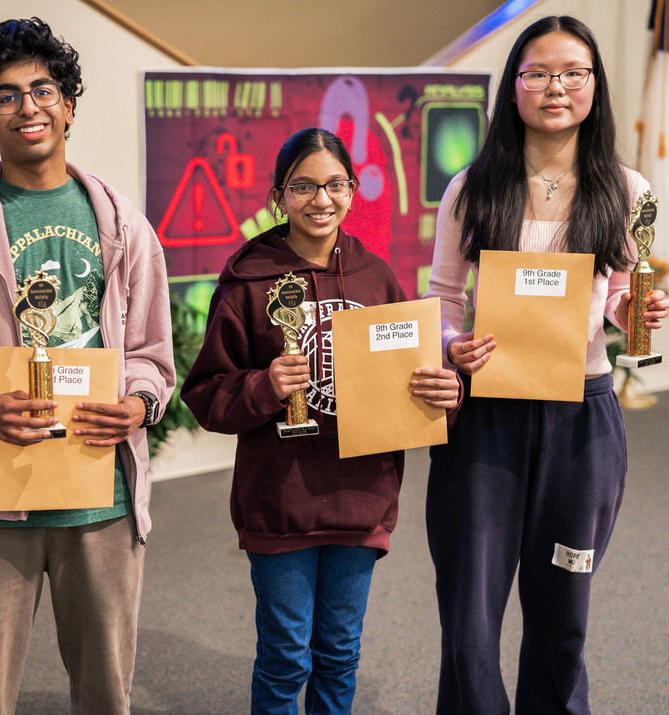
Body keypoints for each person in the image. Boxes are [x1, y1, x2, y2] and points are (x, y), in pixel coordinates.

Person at [0, 17, 174, 714]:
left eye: (42, 88)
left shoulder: (123, 224)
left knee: (106, 695)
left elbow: (152, 359)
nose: (28, 106)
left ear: (68, 105)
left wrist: (136, 403)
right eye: (6, 96)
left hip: (99, 496)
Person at [423, 16, 669, 714]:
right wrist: (451, 345)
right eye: (538, 72)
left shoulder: (626, 189)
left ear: (594, 85)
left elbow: (624, 294)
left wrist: (635, 315)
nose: (555, 87)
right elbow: (443, 298)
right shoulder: (472, 186)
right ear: (514, 85)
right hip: (486, 419)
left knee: (563, 618)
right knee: (470, 622)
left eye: (573, 73)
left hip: (582, 423)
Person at [180, 128, 460, 714]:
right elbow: (206, 393)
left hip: (360, 497)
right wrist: (262, 386)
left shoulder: (376, 278)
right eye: (303, 186)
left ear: (354, 191)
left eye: (335, 184)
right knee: (285, 657)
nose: (321, 199)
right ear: (279, 195)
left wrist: (440, 391)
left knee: (339, 653)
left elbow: (408, 375)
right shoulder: (247, 283)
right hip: (280, 502)